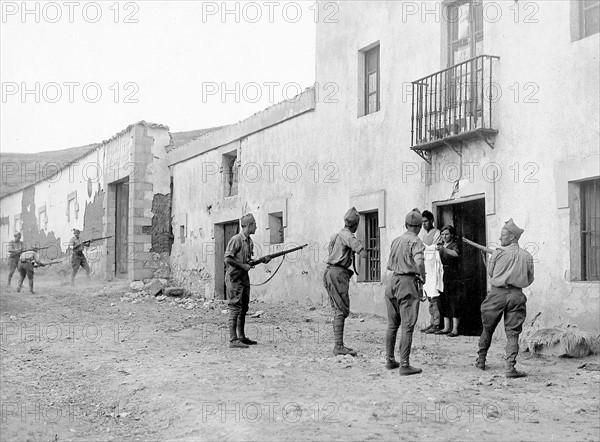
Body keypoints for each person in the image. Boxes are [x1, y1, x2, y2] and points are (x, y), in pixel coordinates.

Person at [476, 218, 534, 378]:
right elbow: (529, 280)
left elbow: (491, 273)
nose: (500, 238)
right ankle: (510, 368)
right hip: (516, 296)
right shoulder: (527, 256)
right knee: (513, 333)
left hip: (496, 294)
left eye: (503, 235)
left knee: (487, 329)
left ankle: (481, 361)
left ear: (512, 238)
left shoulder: (497, 253)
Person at [385, 209, 426, 375]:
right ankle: (404, 364)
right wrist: (422, 277)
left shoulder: (396, 240)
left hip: (392, 281)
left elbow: (389, 265)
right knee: (407, 325)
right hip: (407, 282)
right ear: (419, 227)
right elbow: (420, 262)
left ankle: (389, 360)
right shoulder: (416, 241)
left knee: (392, 324)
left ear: (405, 225)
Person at [323, 207, 367, 356]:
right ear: (355, 225)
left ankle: (338, 344)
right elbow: (362, 252)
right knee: (341, 310)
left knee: (337, 309)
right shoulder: (348, 236)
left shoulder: (335, 236)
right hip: (338, 273)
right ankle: (338, 346)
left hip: (329, 271)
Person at [224, 213, 270, 349]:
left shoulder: (249, 241)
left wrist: (262, 260)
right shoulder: (236, 239)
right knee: (235, 307)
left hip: (243, 278)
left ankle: (241, 337)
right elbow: (228, 259)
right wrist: (243, 266)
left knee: (244, 307)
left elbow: (248, 261)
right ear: (249, 225)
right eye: (254, 224)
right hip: (234, 278)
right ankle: (233, 340)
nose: (256, 226)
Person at [419, 211, 443, 334]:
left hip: (434, 266)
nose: (424, 224)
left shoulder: (437, 233)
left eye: (426, 221)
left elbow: (435, 249)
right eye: (422, 222)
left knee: (435, 297)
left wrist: (426, 248)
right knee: (429, 295)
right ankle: (432, 321)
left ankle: (437, 323)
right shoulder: (424, 236)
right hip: (427, 267)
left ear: (432, 220)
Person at [435, 226, 462, 337]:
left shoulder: (454, 245)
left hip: (452, 274)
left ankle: (455, 329)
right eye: (442, 234)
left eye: (447, 234)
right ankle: (446, 327)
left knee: (453, 300)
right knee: (443, 299)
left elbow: (456, 254)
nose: (444, 236)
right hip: (442, 274)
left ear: (451, 235)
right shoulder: (440, 245)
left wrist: (444, 249)